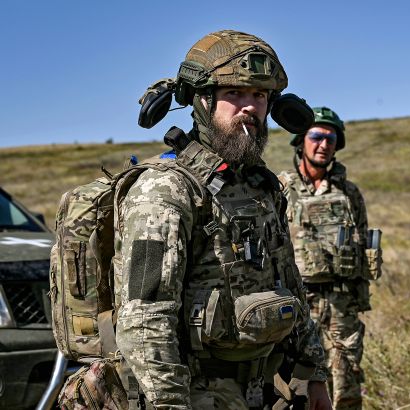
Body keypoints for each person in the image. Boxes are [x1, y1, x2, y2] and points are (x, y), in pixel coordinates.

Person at [114, 30, 331, 409]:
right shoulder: (166, 190)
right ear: (202, 100)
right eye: (235, 93)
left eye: (259, 95)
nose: (249, 106)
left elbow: (290, 284)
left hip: (264, 388)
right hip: (195, 391)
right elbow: (145, 317)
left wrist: (314, 375)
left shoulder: (263, 187)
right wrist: (169, 403)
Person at [278, 107, 382, 409]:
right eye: (317, 136)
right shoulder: (280, 188)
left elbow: (363, 245)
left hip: (341, 307)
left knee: (346, 386)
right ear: (301, 141)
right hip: (295, 306)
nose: (324, 144)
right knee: (294, 389)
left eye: (331, 138)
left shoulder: (349, 194)